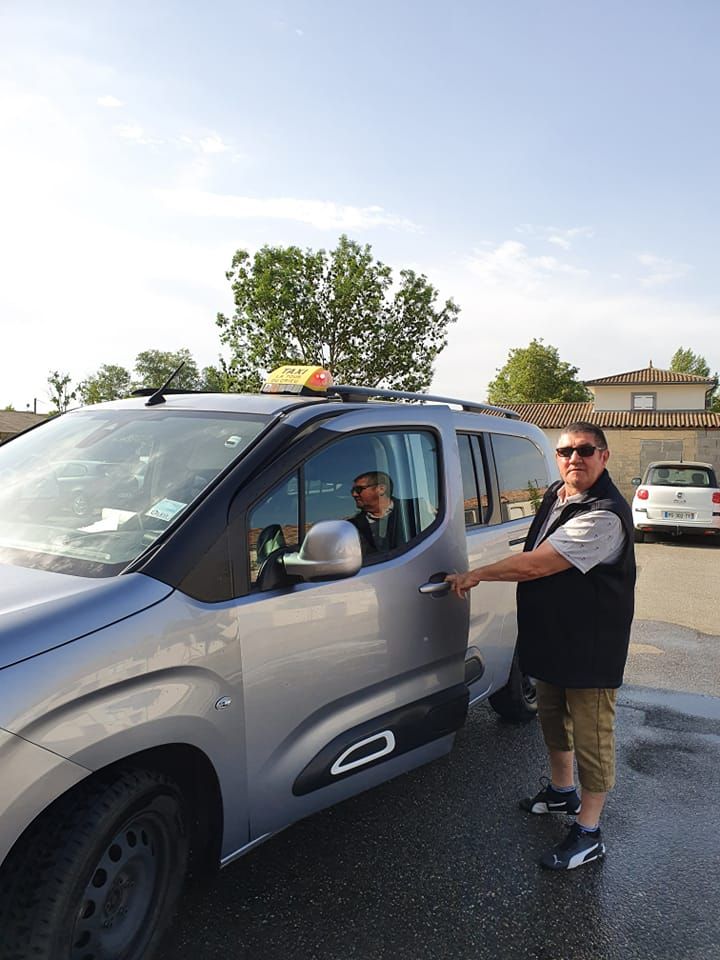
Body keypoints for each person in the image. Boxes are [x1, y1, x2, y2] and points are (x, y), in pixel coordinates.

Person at [446, 422, 636, 871]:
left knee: (591, 736)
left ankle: (589, 832)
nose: (575, 458)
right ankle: (560, 791)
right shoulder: (558, 492)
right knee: (552, 718)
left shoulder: (605, 513)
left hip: (590, 646)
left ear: (604, 456)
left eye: (586, 450)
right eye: (566, 451)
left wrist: (477, 573)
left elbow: (538, 564)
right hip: (552, 637)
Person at [346, 470, 407, 556]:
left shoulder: (414, 509)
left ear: (381, 489)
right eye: (352, 490)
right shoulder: (352, 527)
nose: (354, 494)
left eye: (359, 489)